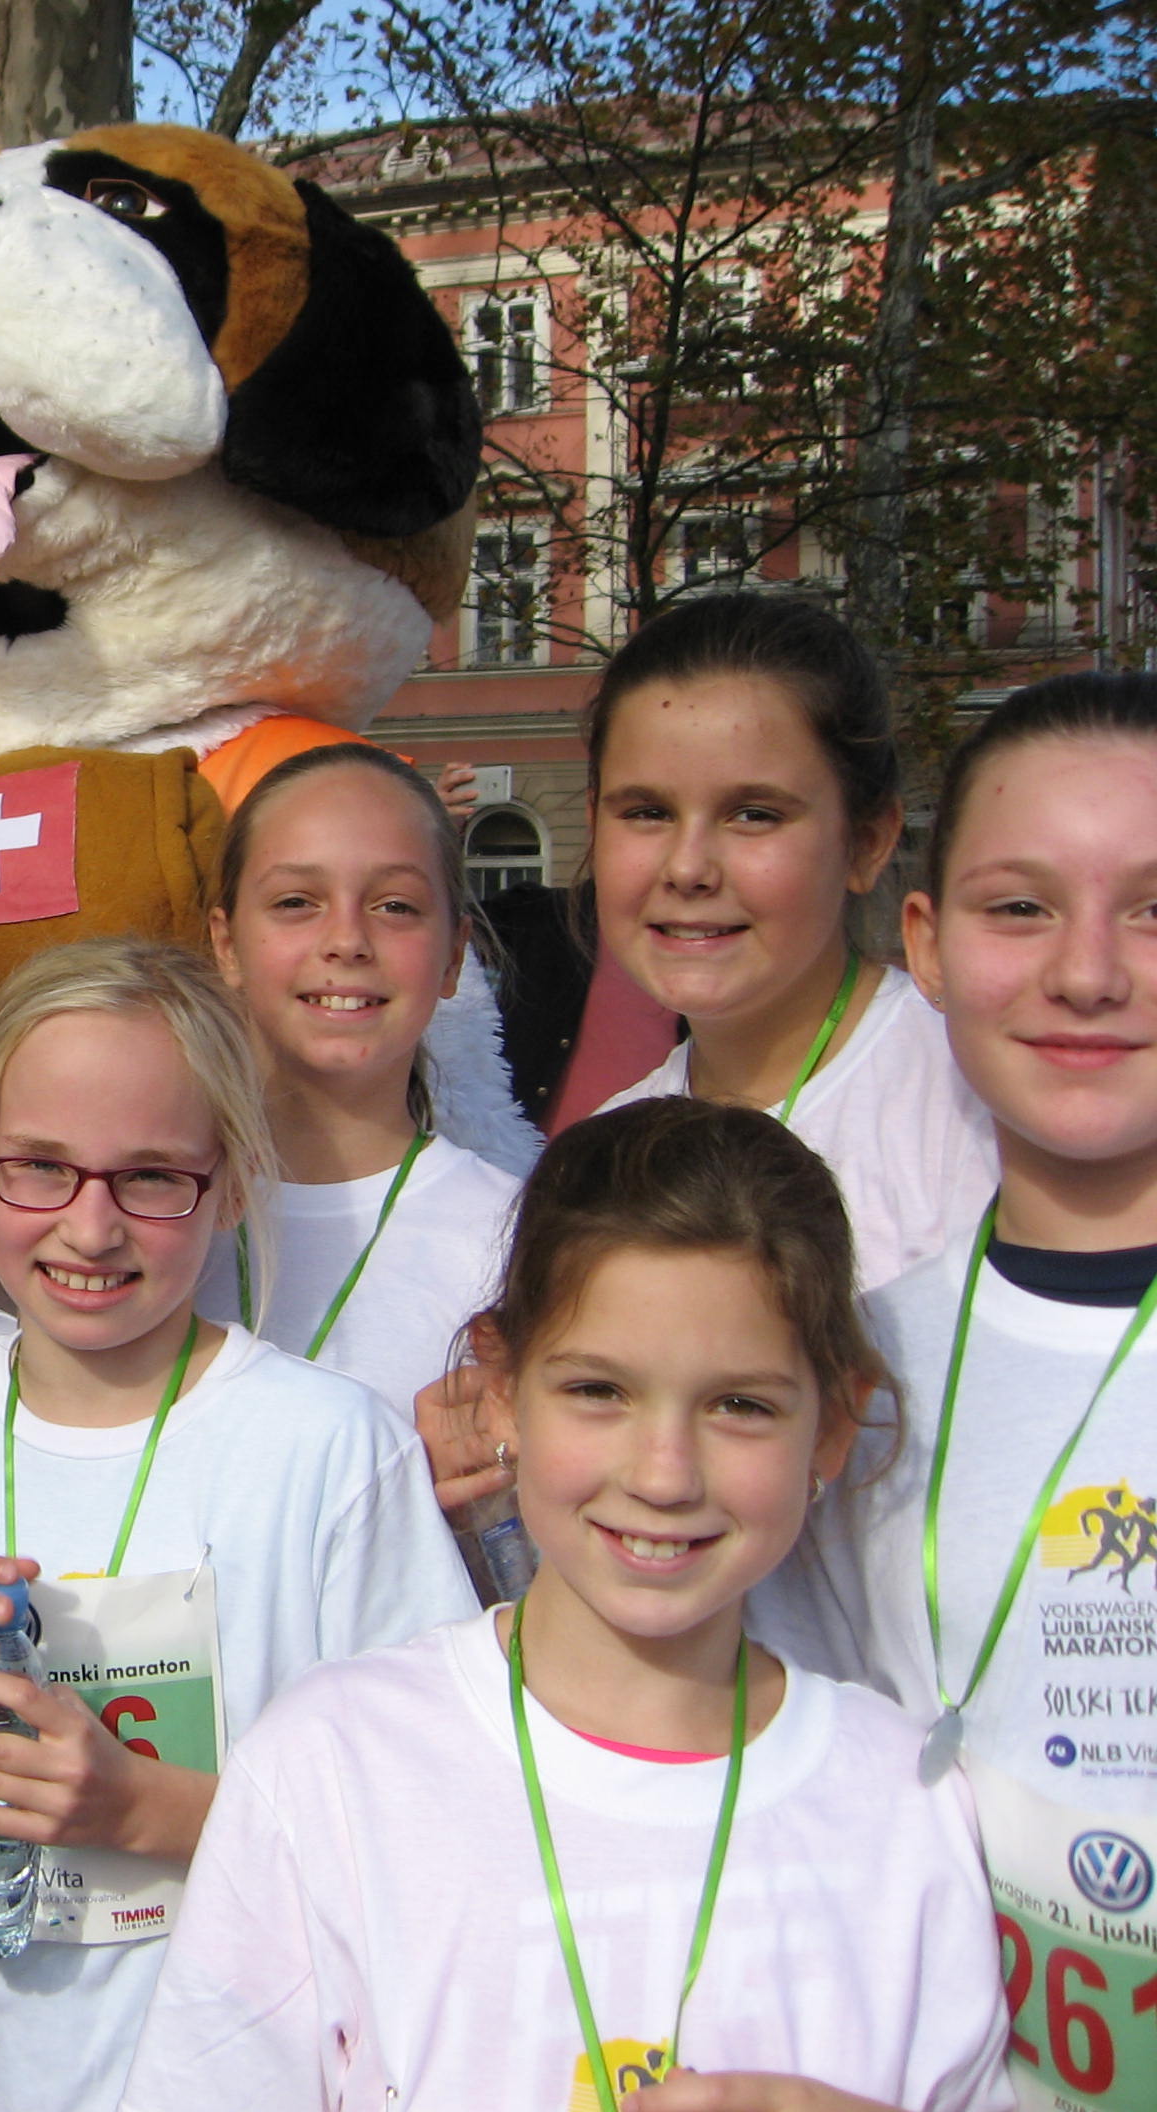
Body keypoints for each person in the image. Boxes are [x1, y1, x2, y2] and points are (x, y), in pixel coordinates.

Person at [122, 1097, 1013, 2112]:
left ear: (831, 1426)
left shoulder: (903, 1799)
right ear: (497, 1388)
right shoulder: (328, 1768)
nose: (663, 1474)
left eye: (739, 1406)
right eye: (597, 1391)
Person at [0, 938, 474, 2112]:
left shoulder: (327, 1451)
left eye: (151, 1177)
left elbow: (426, 1837)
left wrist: (141, 1809)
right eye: (41, 1168)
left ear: (234, 1177)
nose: (90, 1228)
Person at [761, 673, 1157, 2110]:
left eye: (1155, 910)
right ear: (923, 942)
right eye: (1021, 907)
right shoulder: (853, 1373)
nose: (1090, 974)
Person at [583, 592, 994, 1288]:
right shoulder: (603, 1152)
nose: (687, 868)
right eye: (647, 812)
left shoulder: (973, 1108)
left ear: (866, 841)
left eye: (753, 814)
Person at [204, 744, 523, 1425]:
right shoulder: (133, 1210)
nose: (347, 940)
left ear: (453, 955)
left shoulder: (520, 1242)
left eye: (396, 906)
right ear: (227, 944)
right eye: (296, 901)